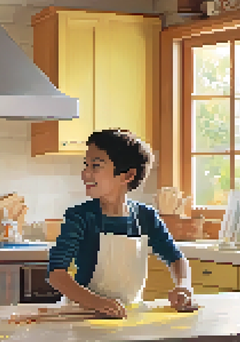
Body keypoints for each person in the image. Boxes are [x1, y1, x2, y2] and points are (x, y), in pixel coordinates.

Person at [47, 129, 194, 318]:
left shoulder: (146, 217)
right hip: (84, 314)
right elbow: (56, 274)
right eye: (86, 165)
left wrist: (183, 286)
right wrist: (97, 303)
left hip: (129, 316)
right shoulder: (80, 217)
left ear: (127, 176)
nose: (85, 173)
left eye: (96, 166)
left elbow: (176, 258)